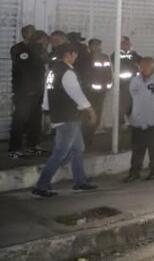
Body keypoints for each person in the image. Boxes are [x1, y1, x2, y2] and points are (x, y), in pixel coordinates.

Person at [32, 44, 98, 197]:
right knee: (60, 152)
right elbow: (77, 94)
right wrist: (90, 110)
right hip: (68, 117)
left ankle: (80, 182)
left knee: (77, 149)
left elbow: (47, 93)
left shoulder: (52, 72)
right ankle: (41, 187)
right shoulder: (67, 72)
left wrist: (47, 110)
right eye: (74, 55)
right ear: (68, 55)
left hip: (60, 115)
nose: (75, 58)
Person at [123, 57, 154, 182]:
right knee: (137, 149)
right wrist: (127, 117)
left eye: (145, 67)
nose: (142, 69)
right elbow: (129, 100)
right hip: (137, 121)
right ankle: (134, 172)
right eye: (140, 67)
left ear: (152, 67)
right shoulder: (135, 81)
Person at [8, 30, 48, 158]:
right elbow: (24, 71)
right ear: (40, 39)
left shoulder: (39, 50)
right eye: (45, 40)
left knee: (35, 119)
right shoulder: (22, 50)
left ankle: (33, 146)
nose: (46, 42)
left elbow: (44, 65)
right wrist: (28, 89)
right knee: (19, 120)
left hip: (37, 90)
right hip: (25, 92)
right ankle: (15, 149)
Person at [83, 38, 112, 142]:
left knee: (99, 109)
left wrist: (109, 85)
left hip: (101, 90)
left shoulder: (105, 57)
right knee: (89, 110)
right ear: (90, 47)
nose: (97, 47)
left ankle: (95, 127)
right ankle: (88, 130)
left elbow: (108, 72)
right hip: (89, 90)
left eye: (98, 45)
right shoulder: (86, 57)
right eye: (94, 45)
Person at [111, 36, 141, 124]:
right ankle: (121, 123)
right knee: (123, 104)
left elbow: (142, 61)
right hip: (123, 84)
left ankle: (131, 122)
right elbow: (121, 66)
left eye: (127, 43)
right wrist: (133, 64)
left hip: (134, 84)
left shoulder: (134, 54)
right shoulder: (116, 54)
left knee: (133, 103)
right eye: (123, 43)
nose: (126, 45)